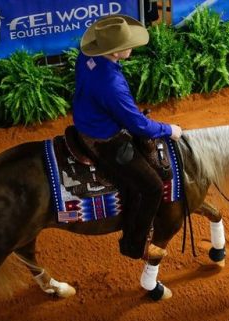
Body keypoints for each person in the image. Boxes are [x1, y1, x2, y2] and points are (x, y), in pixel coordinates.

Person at [73, 14, 182, 260]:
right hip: (104, 139)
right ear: (114, 52)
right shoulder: (111, 83)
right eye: (127, 45)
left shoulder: (88, 56)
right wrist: (169, 129)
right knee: (152, 187)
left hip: (85, 120)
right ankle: (134, 245)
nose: (131, 47)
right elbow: (138, 125)